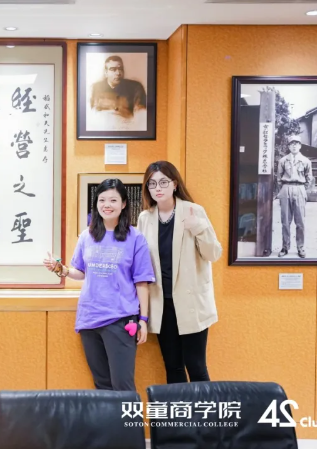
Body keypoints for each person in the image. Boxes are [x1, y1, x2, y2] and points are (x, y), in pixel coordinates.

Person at [43, 178, 154, 391]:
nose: (106, 205)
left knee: (123, 386)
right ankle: (108, 417)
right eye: (102, 200)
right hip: (89, 318)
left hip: (120, 320)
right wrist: (61, 269)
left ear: (123, 204)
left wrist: (143, 320)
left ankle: (129, 416)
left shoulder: (135, 238)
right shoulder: (87, 235)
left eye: (113, 200)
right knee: (102, 386)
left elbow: (142, 282)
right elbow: (81, 272)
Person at [137, 161, 221, 384]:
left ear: (174, 184)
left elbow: (213, 254)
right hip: (161, 303)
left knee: (196, 367)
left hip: (190, 301)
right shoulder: (145, 218)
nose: (158, 188)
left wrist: (198, 227)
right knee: (173, 366)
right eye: (152, 183)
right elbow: (141, 262)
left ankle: (204, 409)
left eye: (163, 182)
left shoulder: (193, 211)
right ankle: (178, 409)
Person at [276, 135, 313, 258]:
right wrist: (282, 191)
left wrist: (303, 190)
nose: (294, 146)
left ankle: (300, 247)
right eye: (292, 143)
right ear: (288, 146)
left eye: (296, 143)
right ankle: (285, 247)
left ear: (300, 146)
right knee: (285, 221)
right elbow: (279, 179)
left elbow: (309, 178)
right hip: (286, 188)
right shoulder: (283, 161)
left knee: (300, 221)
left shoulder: (306, 161)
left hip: (300, 188)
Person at [90, 55, 147, 119]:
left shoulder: (135, 87)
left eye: (120, 69)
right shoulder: (95, 88)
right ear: (106, 72)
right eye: (113, 69)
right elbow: (90, 114)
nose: (118, 73)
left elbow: (141, 115)